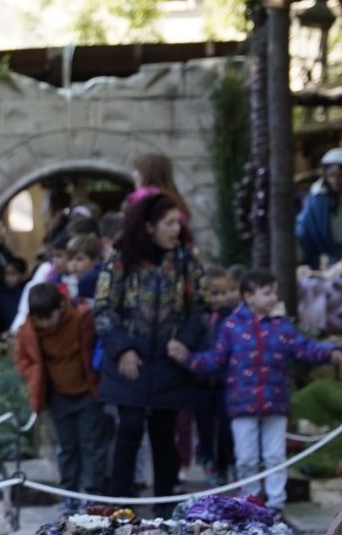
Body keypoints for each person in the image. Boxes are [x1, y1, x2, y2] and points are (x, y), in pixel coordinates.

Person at [92, 193, 209, 508]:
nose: (175, 229)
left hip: (170, 362)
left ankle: (165, 508)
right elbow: (103, 308)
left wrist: (185, 340)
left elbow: (200, 309)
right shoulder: (121, 258)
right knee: (128, 427)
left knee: (164, 432)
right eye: (168, 223)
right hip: (130, 361)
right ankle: (118, 506)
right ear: (149, 226)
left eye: (177, 222)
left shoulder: (186, 261)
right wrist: (122, 349)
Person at [188, 269, 341, 500]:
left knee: (275, 456)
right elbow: (216, 359)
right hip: (242, 403)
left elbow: (304, 347)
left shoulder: (281, 327)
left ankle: (276, 503)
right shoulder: (231, 327)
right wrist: (188, 360)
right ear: (249, 297)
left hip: (275, 401)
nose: (273, 298)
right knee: (246, 458)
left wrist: (330, 351)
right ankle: (250, 502)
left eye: (274, 293)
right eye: (267, 293)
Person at [11, 281, 105, 495]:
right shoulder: (29, 331)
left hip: (87, 394)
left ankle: (93, 494)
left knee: (92, 446)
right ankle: (69, 493)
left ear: (61, 306)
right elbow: (23, 359)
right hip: (57, 397)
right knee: (67, 448)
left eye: (47, 317)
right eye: (39, 319)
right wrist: (34, 378)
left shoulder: (82, 319)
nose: (44, 324)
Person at [195, 266, 244, 486]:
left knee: (226, 429)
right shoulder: (198, 318)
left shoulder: (232, 319)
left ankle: (226, 464)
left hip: (226, 383)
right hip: (202, 383)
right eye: (215, 293)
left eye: (224, 293)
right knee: (205, 428)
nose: (221, 298)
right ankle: (208, 462)